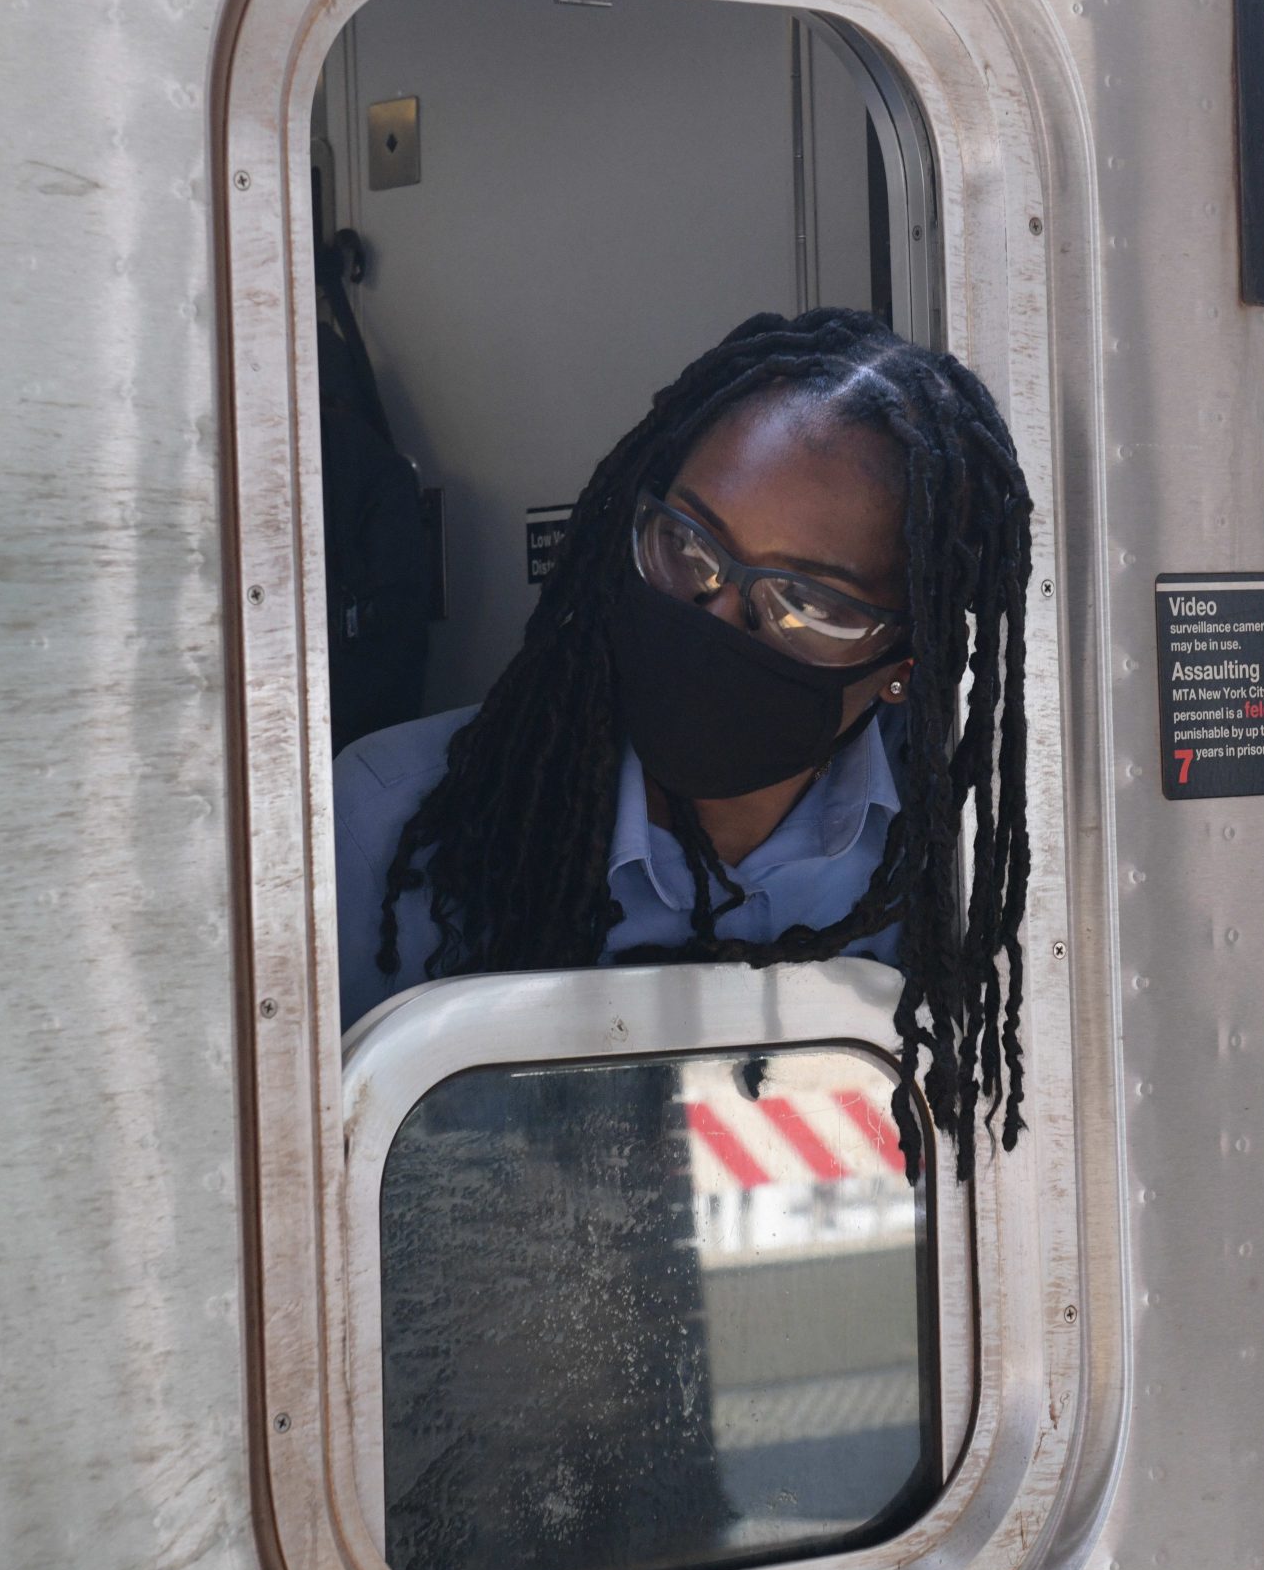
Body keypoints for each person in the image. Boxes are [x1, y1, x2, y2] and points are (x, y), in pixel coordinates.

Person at [335, 305, 1035, 1172]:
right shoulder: (385, 822)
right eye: (689, 549)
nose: (718, 620)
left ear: (906, 659)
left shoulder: (950, 872)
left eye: (806, 604)